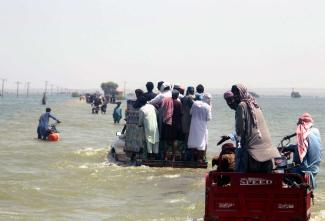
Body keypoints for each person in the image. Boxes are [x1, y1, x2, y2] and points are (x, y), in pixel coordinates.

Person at [231, 84, 280, 173]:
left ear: (241, 93)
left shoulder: (241, 106)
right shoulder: (255, 105)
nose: (234, 97)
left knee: (239, 150)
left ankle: (238, 177)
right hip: (270, 152)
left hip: (253, 154)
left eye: (236, 94)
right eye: (233, 94)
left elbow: (240, 131)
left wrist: (238, 145)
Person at [286, 113, 322, 188]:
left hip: (305, 170)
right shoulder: (315, 132)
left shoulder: (304, 135)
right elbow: (304, 147)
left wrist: (286, 148)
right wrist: (291, 148)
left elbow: (299, 154)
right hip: (315, 169)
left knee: (284, 171)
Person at [187, 93, 212, 162]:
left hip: (193, 125)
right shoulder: (208, 107)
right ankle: (199, 158)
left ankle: (192, 158)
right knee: (201, 142)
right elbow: (209, 118)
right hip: (202, 126)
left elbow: (191, 113)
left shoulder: (195, 103)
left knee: (193, 140)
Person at [161, 90, 183, 161]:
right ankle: (173, 158)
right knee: (174, 140)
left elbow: (162, 110)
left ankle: (165, 157)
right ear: (177, 96)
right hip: (176, 124)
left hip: (167, 123)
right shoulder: (179, 103)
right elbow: (181, 114)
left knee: (165, 140)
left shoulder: (167, 101)